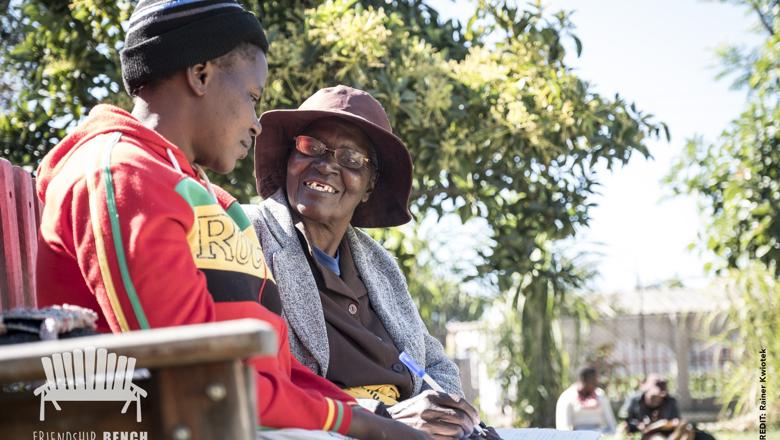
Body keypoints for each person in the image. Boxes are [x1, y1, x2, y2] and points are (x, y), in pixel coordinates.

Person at [34, 2, 429, 439]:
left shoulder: (207, 198)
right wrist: (353, 422)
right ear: (201, 75)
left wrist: (369, 412)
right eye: (252, 97)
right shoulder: (121, 175)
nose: (257, 124)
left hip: (239, 415)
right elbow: (190, 371)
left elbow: (275, 370)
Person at [244, 85, 495, 440]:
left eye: (350, 159)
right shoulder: (247, 233)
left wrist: (448, 412)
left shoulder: (379, 264)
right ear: (290, 156)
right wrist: (382, 419)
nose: (327, 165)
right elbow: (258, 377)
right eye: (310, 147)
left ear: (370, 184)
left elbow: (433, 363)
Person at [619, 375, 715, 440]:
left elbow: (676, 420)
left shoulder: (670, 401)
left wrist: (670, 424)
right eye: (654, 396)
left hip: (669, 432)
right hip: (648, 435)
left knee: (694, 433)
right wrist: (638, 425)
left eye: (660, 396)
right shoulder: (634, 400)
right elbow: (625, 420)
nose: (658, 399)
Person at [555, 366, 617, 434]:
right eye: (593, 380)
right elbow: (563, 427)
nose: (596, 383)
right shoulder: (567, 397)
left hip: (599, 435)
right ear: (583, 380)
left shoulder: (600, 395)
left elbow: (611, 424)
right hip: (577, 436)